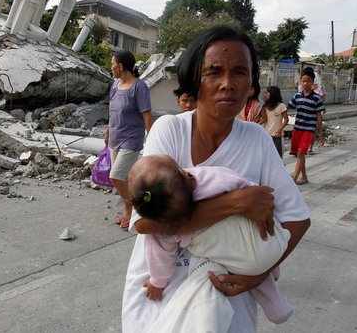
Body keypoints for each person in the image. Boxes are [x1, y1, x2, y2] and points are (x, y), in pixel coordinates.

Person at [121, 25, 310, 333]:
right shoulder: (170, 131)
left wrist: (260, 273)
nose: (227, 84)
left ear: (251, 82)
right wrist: (237, 202)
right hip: (159, 292)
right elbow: (145, 222)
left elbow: (298, 220)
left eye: (239, 72)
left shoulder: (257, 140)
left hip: (227, 300)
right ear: (196, 79)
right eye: (214, 72)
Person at [127, 155, 293, 327]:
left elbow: (160, 257)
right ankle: (276, 304)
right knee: (252, 253)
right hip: (270, 239)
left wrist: (158, 282)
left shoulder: (164, 229)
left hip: (235, 260)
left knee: (211, 265)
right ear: (187, 176)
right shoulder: (213, 177)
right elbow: (244, 187)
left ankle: (269, 306)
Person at [104, 50, 153, 230]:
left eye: (112, 64)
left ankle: (129, 210)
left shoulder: (139, 87)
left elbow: (147, 116)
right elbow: (113, 111)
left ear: (121, 66)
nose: (111, 68)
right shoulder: (115, 85)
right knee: (125, 178)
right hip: (115, 138)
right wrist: (108, 131)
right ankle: (138, 209)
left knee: (116, 177)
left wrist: (154, 139)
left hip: (131, 140)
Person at [287, 68, 325, 184]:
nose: (305, 84)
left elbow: (319, 116)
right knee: (300, 155)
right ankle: (304, 177)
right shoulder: (297, 96)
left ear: (312, 82)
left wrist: (320, 133)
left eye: (308, 81)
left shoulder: (316, 98)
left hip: (308, 131)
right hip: (297, 129)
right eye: (303, 81)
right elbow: (287, 107)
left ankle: (294, 179)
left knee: (300, 153)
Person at [261, 86, 289, 158]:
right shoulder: (264, 106)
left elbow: (286, 120)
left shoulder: (281, 106)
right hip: (266, 135)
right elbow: (264, 119)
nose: (265, 95)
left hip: (277, 136)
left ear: (272, 94)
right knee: (267, 156)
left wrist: (280, 129)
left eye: (267, 93)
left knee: (278, 157)